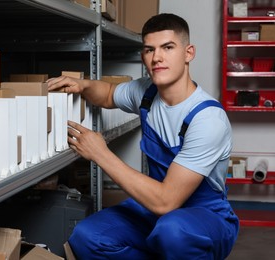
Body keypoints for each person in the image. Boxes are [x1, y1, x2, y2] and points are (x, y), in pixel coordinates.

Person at [47, 13, 239, 259]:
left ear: (188, 53)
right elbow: (107, 94)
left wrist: (101, 154)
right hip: (157, 211)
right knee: (87, 237)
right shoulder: (146, 93)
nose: (157, 57)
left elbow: (166, 202)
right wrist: (82, 85)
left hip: (203, 216)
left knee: (172, 232)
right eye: (149, 50)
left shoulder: (207, 119)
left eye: (168, 47)